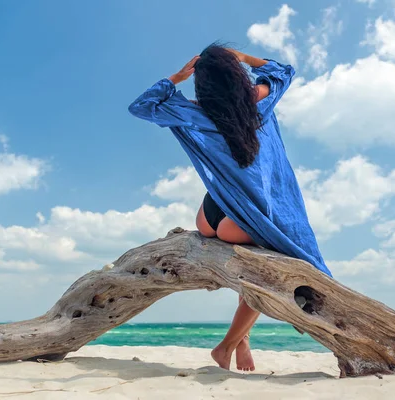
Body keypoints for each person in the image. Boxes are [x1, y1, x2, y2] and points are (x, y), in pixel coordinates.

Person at [128, 43, 332, 372]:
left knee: (251, 242)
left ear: (202, 82)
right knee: (267, 271)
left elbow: (141, 106)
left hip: (210, 216)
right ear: (236, 75)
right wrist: (244, 57)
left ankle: (242, 342)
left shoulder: (194, 112)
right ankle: (227, 346)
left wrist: (177, 76)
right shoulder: (260, 100)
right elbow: (284, 70)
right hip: (240, 220)